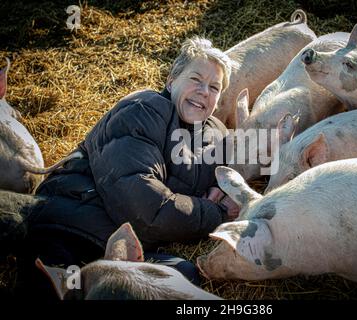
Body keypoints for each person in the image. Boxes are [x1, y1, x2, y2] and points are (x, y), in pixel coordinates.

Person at [15, 36, 240, 299]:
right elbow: (147, 210)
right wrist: (217, 212)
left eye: (214, 87)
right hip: (69, 227)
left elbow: (218, 182)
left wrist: (217, 190)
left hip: (117, 244)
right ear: (171, 81)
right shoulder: (143, 111)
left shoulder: (213, 135)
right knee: (56, 290)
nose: (204, 91)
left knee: (183, 274)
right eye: (195, 79)